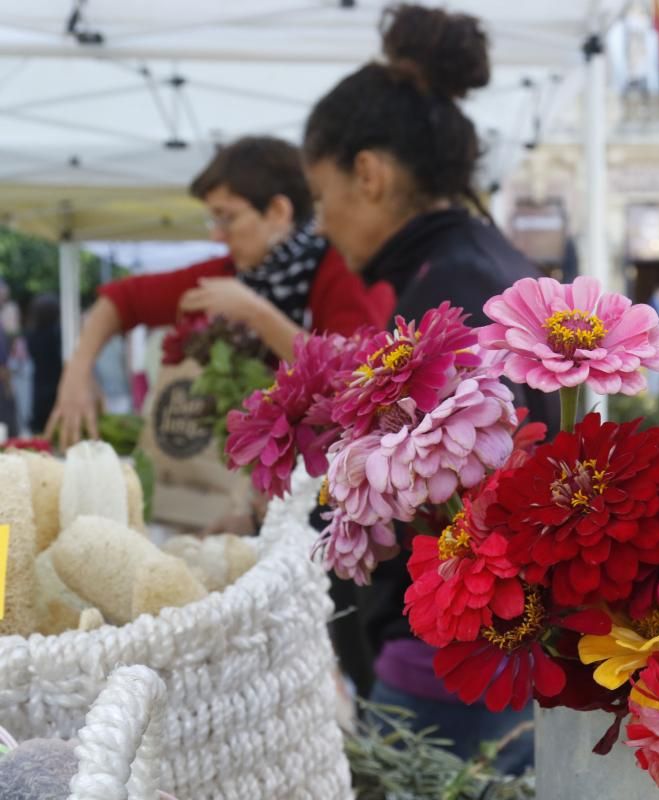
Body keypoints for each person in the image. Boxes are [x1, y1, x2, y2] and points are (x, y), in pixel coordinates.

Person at [303, 2, 552, 772]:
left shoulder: (452, 295)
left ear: (368, 174)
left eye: (320, 194)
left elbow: (459, 512)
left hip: (447, 687)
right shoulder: (485, 266)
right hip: (471, 672)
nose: (322, 223)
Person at [45, 136, 392, 446]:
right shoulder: (233, 274)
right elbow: (121, 300)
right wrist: (77, 371)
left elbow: (351, 378)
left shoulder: (344, 268)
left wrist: (255, 313)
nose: (216, 236)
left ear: (278, 211)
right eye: (213, 220)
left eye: (226, 218)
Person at [25, 294, 61, 436]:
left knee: (40, 429)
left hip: (39, 383)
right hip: (58, 382)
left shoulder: (31, 335)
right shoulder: (59, 333)